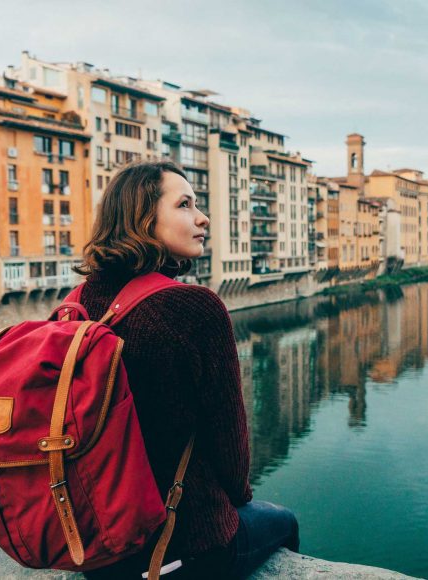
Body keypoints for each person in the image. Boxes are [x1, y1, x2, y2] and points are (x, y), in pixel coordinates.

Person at [77, 161, 299, 579]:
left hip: (98, 541)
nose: (203, 217)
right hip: (183, 544)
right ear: (143, 219)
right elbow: (231, 448)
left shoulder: (79, 302)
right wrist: (235, 500)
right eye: (184, 205)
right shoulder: (193, 307)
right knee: (283, 522)